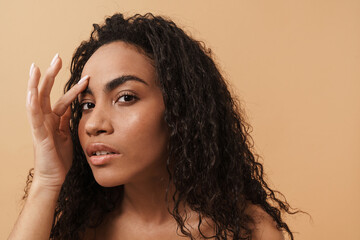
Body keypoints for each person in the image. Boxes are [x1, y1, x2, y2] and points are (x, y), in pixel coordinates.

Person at [9, 13, 297, 240]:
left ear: (179, 109)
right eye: (87, 104)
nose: (94, 124)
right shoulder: (79, 228)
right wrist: (46, 182)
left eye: (125, 98)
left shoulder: (249, 230)